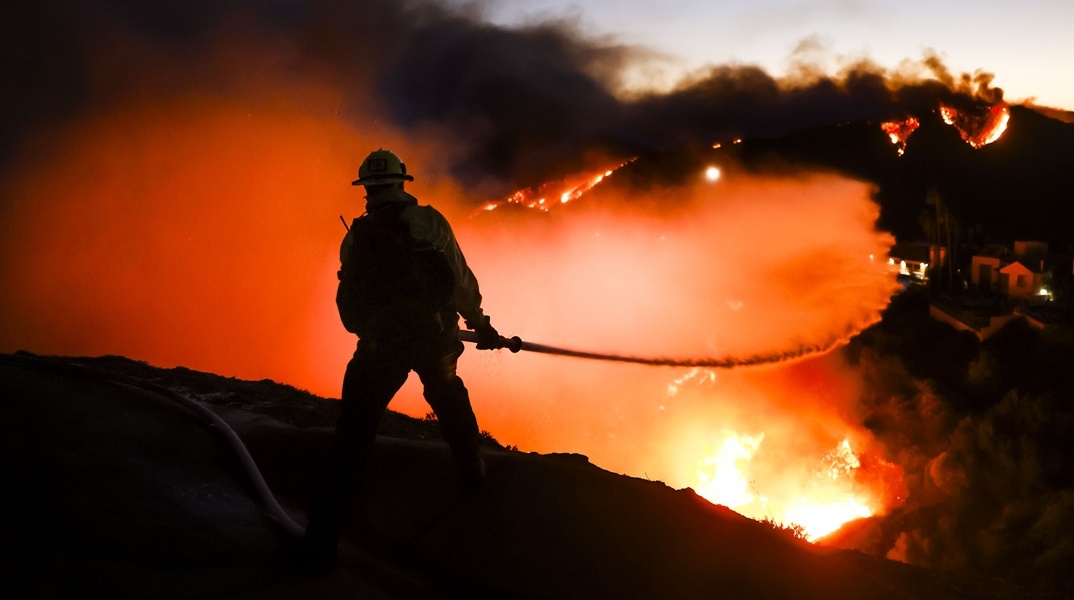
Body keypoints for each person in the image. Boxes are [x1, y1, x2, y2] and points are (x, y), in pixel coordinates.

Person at [300, 149, 502, 572]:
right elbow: (460, 280)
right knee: (448, 395)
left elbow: (354, 298)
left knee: (352, 436)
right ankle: (473, 471)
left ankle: (319, 545)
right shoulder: (430, 222)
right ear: (402, 183)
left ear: (366, 190)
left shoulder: (354, 236)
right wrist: (480, 325)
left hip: (380, 345)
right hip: (433, 338)